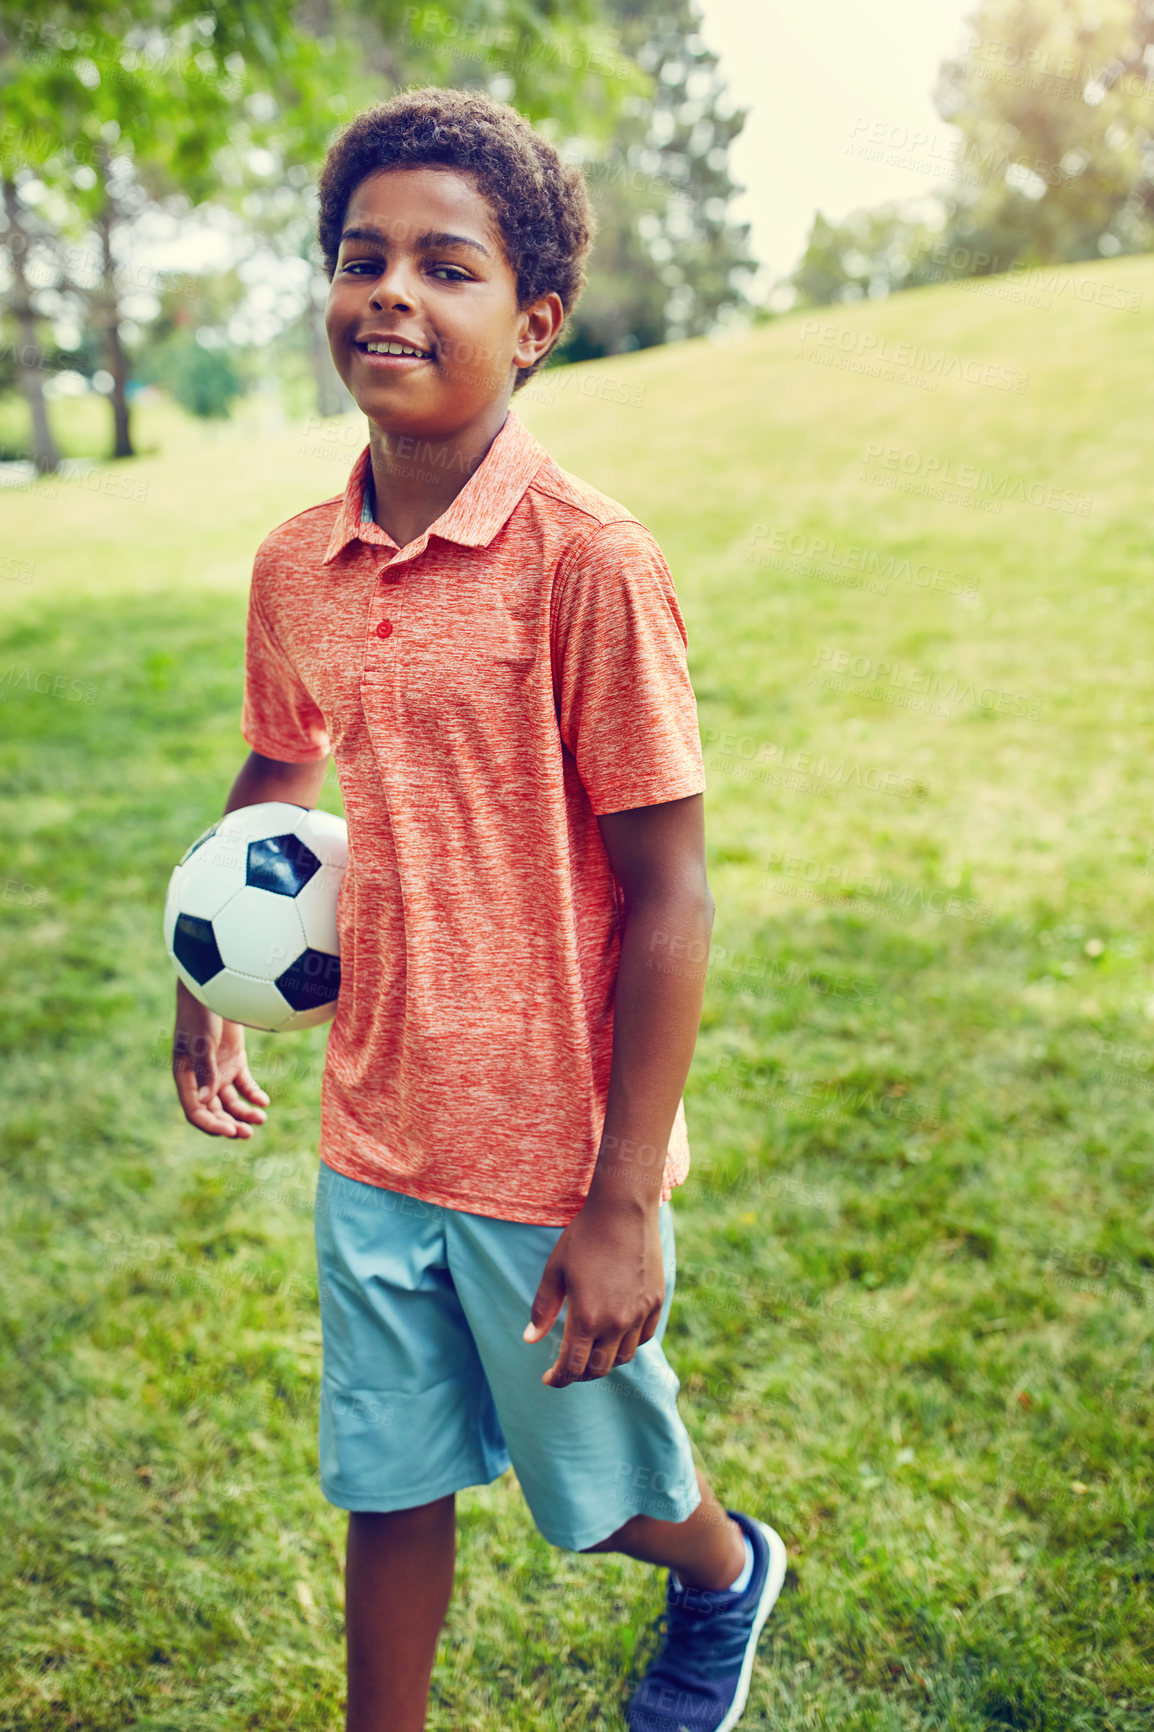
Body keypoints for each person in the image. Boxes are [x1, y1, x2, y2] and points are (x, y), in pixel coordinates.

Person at [172, 84, 785, 1732]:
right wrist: (202, 982)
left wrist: (621, 1196)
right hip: (374, 1124)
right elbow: (275, 769)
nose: (391, 293)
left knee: (599, 1492)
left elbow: (670, 888)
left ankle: (726, 1571)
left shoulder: (588, 561)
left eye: (446, 267)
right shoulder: (298, 563)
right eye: (361, 258)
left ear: (534, 324)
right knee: (389, 1478)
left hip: (546, 1148)